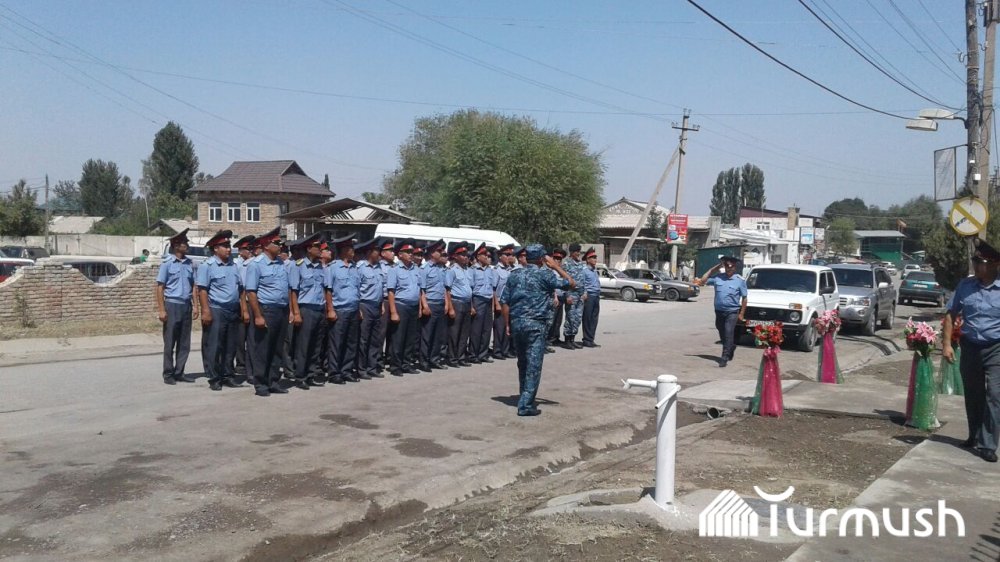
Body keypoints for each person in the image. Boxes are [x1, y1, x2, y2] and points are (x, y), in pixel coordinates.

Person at [942, 239, 1000, 463]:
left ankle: (988, 445)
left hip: (996, 348)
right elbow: (950, 314)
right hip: (970, 347)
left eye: (980, 262)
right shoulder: (965, 285)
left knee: (995, 396)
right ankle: (974, 435)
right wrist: (947, 344)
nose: (975, 265)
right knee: (973, 394)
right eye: (974, 261)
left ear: (994, 264)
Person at [501, 244, 575, 416]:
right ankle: (525, 406)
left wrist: (507, 324)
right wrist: (556, 266)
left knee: (523, 363)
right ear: (542, 259)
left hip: (517, 323)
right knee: (533, 365)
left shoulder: (515, 275)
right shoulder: (545, 275)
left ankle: (524, 396)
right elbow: (571, 283)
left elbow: (504, 301)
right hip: (535, 325)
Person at [196, 230, 246, 391]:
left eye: (229, 246)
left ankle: (228, 375)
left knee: (230, 345)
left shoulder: (233, 265)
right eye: (224, 246)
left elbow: (240, 289)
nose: (228, 249)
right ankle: (214, 377)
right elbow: (202, 290)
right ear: (215, 248)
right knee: (215, 345)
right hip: (217, 309)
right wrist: (205, 311)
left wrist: (243, 309)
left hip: (233, 309)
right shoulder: (207, 266)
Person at [244, 227, 291, 397]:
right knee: (263, 349)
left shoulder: (281, 263)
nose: (280, 245)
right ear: (266, 245)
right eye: (276, 243)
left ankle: (273, 381)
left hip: (281, 309)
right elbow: (251, 292)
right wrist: (258, 315)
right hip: (266, 309)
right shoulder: (256, 265)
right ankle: (261, 383)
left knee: (277, 348)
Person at [155, 228, 197, 385]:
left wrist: (196, 306)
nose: (187, 245)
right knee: (170, 341)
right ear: (176, 246)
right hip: (172, 305)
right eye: (184, 243)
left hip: (186, 305)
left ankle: (179, 371)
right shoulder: (167, 264)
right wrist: (161, 309)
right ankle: (168, 373)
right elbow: (160, 287)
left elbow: (194, 286)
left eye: (186, 242)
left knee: (184, 342)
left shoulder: (190, 264)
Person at [288, 232, 327, 389]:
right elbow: (293, 291)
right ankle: (300, 376)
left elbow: (323, 289)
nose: (320, 249)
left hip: (319, 308)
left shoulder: (320, 267)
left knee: (316, 345)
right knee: (303, 345)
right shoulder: (298, 266)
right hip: (306, 309)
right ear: (309, 248)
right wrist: (296, 313)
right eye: (317, 246)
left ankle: (311, 374)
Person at [694, 255, 748, 367]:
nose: (729, 268)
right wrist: (716, 267)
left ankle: (724, 356)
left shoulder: (740, 281)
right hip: (719, 311)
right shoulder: (718, 278)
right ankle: (730, 346)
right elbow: (703, 280)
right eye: (727, 266)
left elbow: (744, 298)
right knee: (721, 330)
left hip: (732, 311)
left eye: (731, 267)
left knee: (728, 332)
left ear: (735, 267)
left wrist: (742, 313)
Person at [325, 234, 362, 383]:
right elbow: (328, 291)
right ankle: (334, 373)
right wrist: (330, 309)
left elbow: (356, 289)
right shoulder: (332, 268)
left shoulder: (354, 267)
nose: (353, 250)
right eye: (350, 248)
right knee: (337, 343)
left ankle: (346, 370)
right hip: (339, 310)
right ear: (343, 250)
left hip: (353, 309)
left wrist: (358, 309)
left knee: (351, 342)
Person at [386, 238, 424, 375]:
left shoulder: (416, 269)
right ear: (400, 254)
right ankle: (396, 366)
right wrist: (393, 311)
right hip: (401, 306)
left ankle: (406, 364)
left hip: (413, 306)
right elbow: (391, 292)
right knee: (398, 337)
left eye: (411, 252)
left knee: (410, 338)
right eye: (407, 252)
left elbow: (419, 290)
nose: (410, 254)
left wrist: (419, 307)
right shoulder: (394, 270)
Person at [356, 238, 386, 380]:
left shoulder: (379, 267)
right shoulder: (360, 267)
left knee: (375, 339)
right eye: (376, 251)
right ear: (369, 252)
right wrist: (358, 308)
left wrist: (381, 305)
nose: (379, 253)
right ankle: (361, 368)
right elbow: (356, 288)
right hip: (365, 305)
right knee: (363, 339)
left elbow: (381, 288)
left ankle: (372, 367)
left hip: (376, 305)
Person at [419, 239, 451, 371]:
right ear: (432, 253)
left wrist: (446, 304)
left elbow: (444, 288)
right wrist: (425, 306)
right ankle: (424, 361)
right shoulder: (425, 269)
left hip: (440, 304)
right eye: (439, 251)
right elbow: (422, 290)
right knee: (427, 335)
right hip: (430, 304)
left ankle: (434, 359)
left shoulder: (441, 269)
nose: (441, 253)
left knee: (438, 335)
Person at [446, 241, 475, 367]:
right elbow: (447, 290)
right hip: (456, 302)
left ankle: (461, 357)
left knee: (464, 332)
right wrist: (450, 308)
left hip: (467, 303)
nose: (465, 257)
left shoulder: (469, 270)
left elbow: (470, 289)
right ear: (456, 256)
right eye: (462, 255)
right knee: (454, 332)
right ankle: (452, 358)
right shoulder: (452, 270)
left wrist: (472, 306)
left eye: (466, 254)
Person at [232, 235, 256, 377]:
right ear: (241, 251)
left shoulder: (253, 263)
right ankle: (241, 364)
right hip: (243, 302)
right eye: (247, 249)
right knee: (240, 336)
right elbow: (241, 288)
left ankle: (250, 364)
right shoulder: (237, 265)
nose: (250, 251)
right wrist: (243, 308)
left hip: (253, 303)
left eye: (251, 248)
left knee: (252, 336)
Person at [470, 243, 498, 363]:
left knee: (487, 329)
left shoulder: (490, 270)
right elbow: (470, 289)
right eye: (485, 255)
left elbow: (493, 288)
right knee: (476, 329)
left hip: (488, 300)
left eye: (488, 255)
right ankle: (473, 354)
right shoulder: (473, 270)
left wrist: (493, 304)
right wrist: (471, 306)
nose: (487, 257)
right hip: (478, 300)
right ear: (478, 256)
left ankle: (483, 354)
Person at [561, 243, 588, 349]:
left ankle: (572, 339)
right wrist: (567, 295)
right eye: (576, 251)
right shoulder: (566, 264)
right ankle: (567, 340)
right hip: (571, 294)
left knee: (577, 318)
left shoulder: (580, 264)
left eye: (579, 251)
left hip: (580, 295)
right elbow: (564, 280)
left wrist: (585, 292)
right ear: (571, 252)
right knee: (570, 317)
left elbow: (583, 279)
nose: (578, 253)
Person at [492, 244, 516, 359]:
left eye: (511, 254)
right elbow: (493, 289)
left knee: (508, 326)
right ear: (500, 256)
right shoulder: (496, 270)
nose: (509, 257)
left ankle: (505, 350)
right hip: (500, 301)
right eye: (507, 254)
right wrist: (496, 303)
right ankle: (497, 351)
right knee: (500, 327)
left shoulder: (511, 270)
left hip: (510, 302)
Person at [546, 248, 568, 347]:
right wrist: (555, 297)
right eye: (556, 259)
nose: (558, 261)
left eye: (560, 259)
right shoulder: (550, 271)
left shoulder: (561, 271)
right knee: (551, 319)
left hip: (561, 297)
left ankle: (555, 337)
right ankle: (548, 338)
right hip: (554, 298)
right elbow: (552, 286)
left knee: (558, 320)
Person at [581, 247, 602, 348]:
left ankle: (591, 339)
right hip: (589, 296)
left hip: (596, 296)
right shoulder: (584, 271)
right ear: (588, 259)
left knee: (594, 319)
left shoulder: (594, 270)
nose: (595, 259)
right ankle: (586, 339)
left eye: (595, 257)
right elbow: (582, 283)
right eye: (593, 258)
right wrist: (584, 293)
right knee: (587, 318)